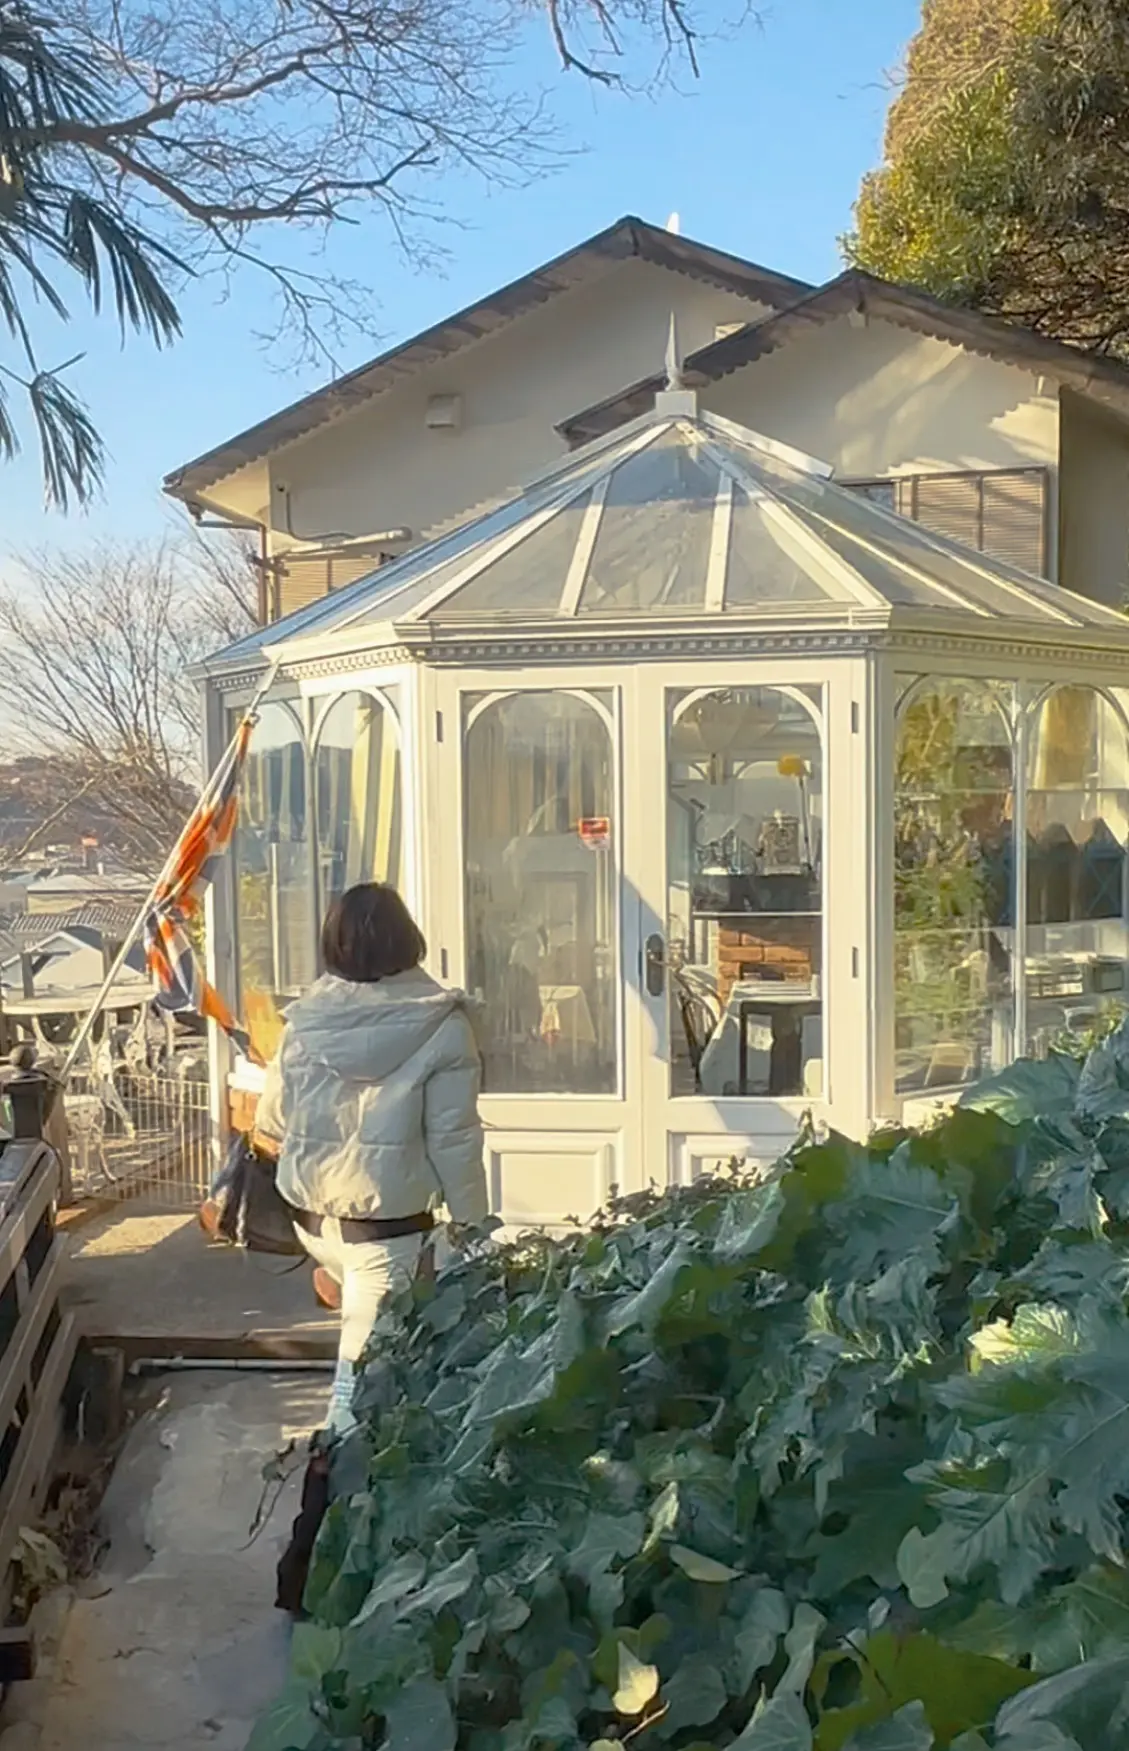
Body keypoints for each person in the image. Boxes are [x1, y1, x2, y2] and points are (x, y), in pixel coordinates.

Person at [252, 882, 487, 1612]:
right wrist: (475, 1229)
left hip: (315, 1222)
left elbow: (274, 1120)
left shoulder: (306, 1018)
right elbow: (454, 1141)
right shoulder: (442, 1024)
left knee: (385, 1364)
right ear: (408, 939)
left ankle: (375, 1533)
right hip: (387, 1237)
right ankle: (308, 1565)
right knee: (355, 1394)